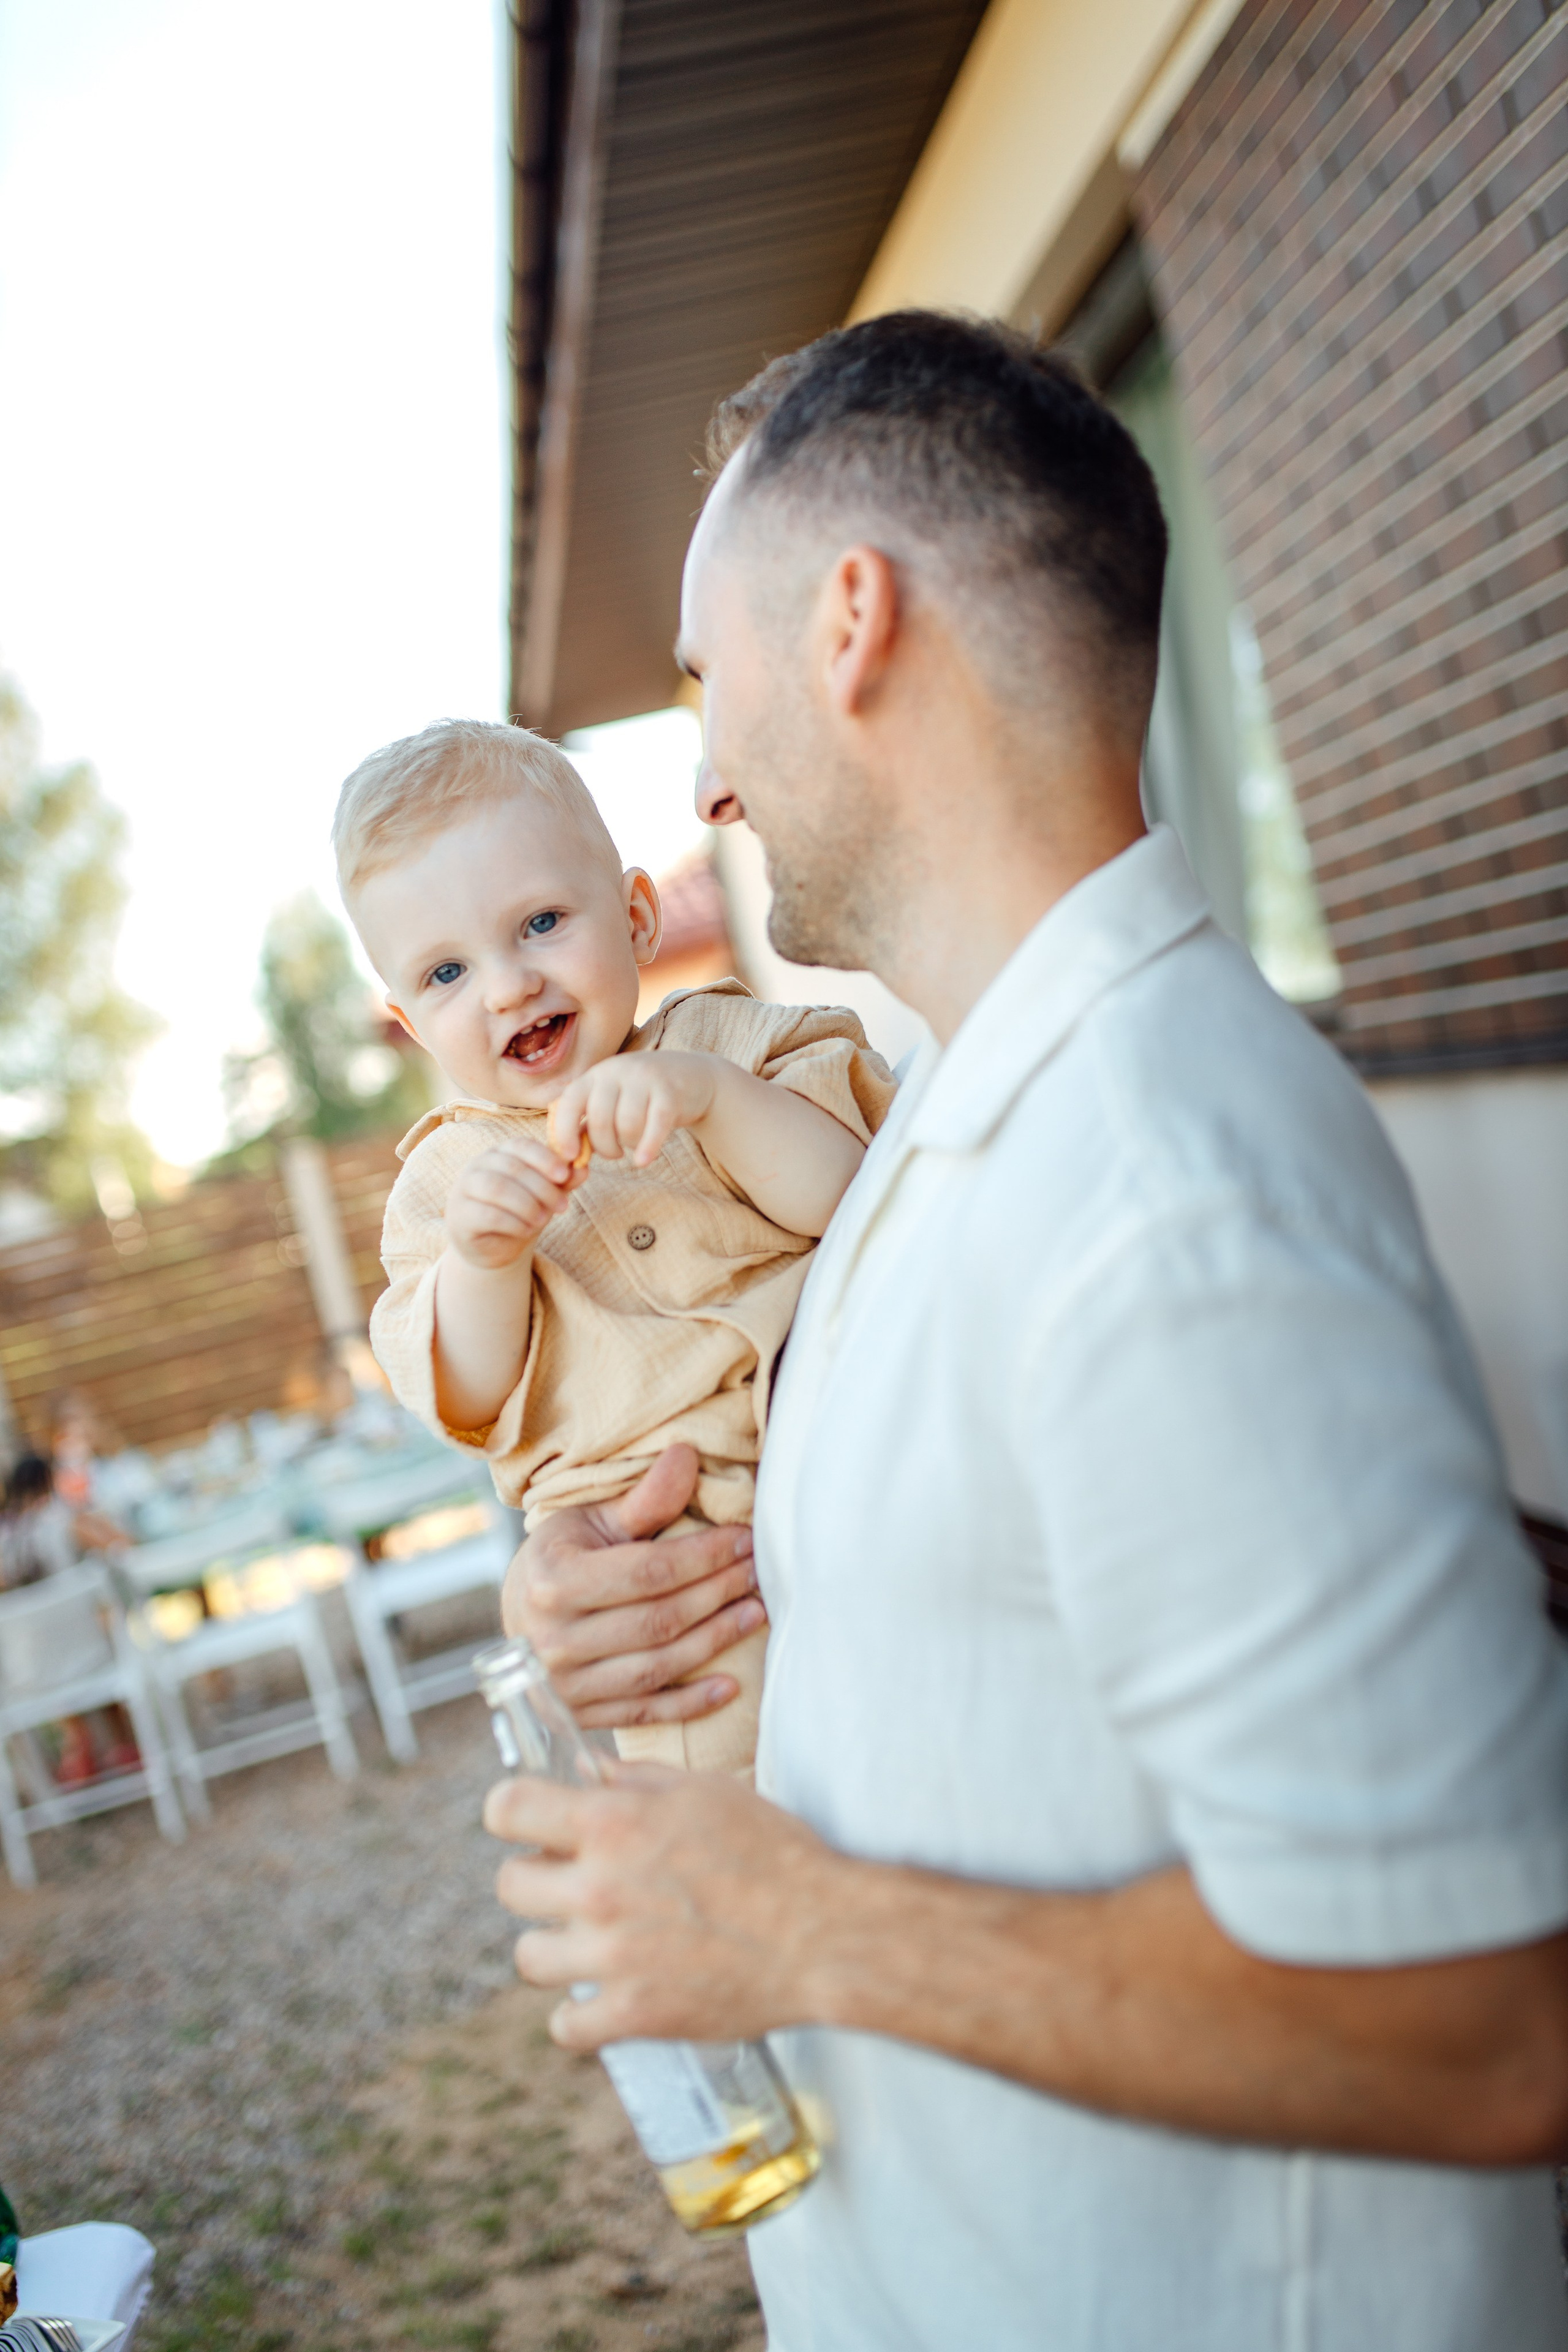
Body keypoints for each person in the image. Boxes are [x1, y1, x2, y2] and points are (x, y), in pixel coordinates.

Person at [483, 313, 1568, 2351]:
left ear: (853, 624)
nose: (705, 775)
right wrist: (631, 1589)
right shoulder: (955, 1110)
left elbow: (1488, 2025)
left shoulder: (1160, 1185)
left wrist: (799, 1926)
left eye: (709, 678)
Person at [336, 718, 894, 1772]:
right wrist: (484, 1263)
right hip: (674, 1556)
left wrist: (712, 1101)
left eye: (541, 923)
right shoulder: (443, 1188)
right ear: (410, 1024)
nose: (507, 986)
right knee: (731, 1796)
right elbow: (468, 1392)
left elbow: (858, 1197)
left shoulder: (730, 1044)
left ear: (637, 918)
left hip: (858, 1462)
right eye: (447, 973)